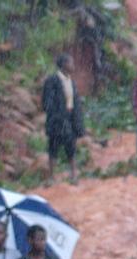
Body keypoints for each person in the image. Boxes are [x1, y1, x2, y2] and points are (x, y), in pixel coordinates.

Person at [42, 55, 85, 184]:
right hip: (57, 119)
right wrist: (55, 114)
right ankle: (51, 177)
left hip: (70, 118)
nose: (73, 65)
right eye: (71, 62)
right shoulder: (52, 80)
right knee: (54, 147)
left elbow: (74, 100)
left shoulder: (70, 81)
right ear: (64, 64)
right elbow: (47, 101)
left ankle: (73, 176)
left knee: (71, 146)